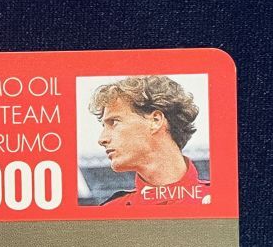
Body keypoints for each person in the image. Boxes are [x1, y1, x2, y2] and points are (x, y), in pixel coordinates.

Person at [89, 75, 210, 206]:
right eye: (104, 126)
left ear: (155, 121)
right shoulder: (110, 209)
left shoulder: (221, 198)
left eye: (114, 122)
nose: (102, 139)